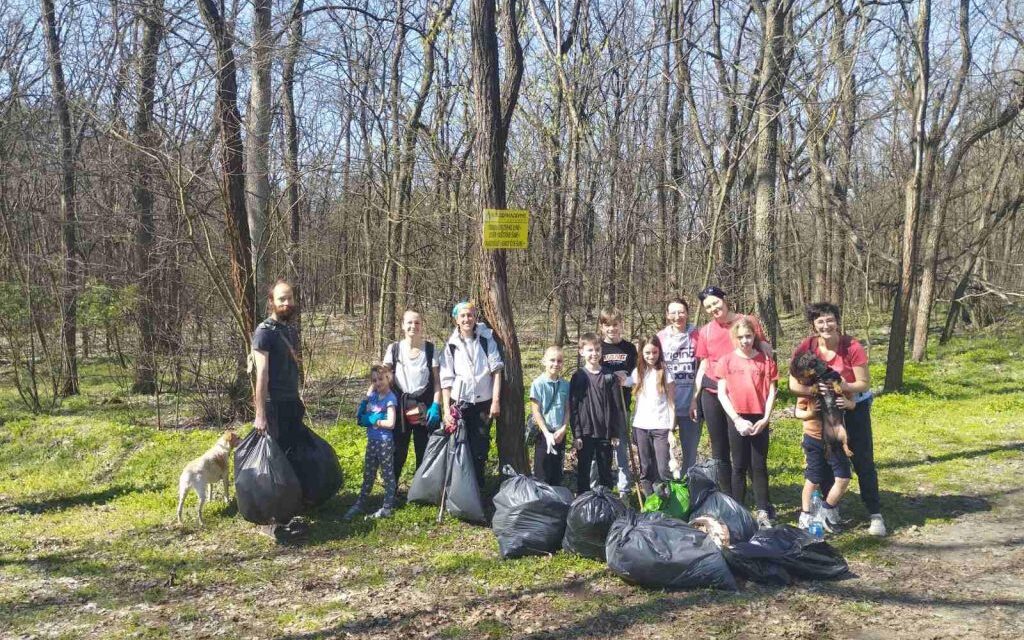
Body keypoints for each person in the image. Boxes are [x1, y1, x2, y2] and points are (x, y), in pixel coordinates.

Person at [789, 302, 887, 536]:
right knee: (825, 459)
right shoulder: (807, 346)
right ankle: (830, 510)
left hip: (853, 405)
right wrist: (814, 393)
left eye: (830, 320)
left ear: (837, 320)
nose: (826, 325)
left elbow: (864, 383)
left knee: (862, 458)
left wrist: (839, 387)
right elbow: (794, 383)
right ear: (813, 324)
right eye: (820, 321)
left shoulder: (852, 346)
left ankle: (875, 513)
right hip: (824, 408)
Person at [691, 286, 772, 496]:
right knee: (720, 447)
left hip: (741, 393)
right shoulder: (706, 331)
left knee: (748, 445)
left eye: (715, 302)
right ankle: (728, 496)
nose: (713, 308)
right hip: (713, 392)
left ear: (724, 299)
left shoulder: (748, 321)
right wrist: (695, 396)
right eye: (708, 307)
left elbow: (763, 348)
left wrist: (769, 365)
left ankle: (761, 496)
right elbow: (703, 365)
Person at [251, 279, 310, 539]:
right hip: (273, 405)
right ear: (272, 302)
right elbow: (261, 375)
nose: (286, 303)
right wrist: (260, 413)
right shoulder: (264, 332)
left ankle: (289, 511)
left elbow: (293, 370)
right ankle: (271, 519)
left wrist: (298, 399)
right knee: (273, 463)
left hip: (290, 403)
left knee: (290, 457)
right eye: (281, 299)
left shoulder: (290, 331)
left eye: (289, 298)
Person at [715, 317, 779, 528]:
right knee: (739, 465)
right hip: (737, 417)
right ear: (735, 338)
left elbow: (771, 391)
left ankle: (763, 510)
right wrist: (736, 419)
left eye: (749, 336)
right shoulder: (726, 361)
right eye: (740, 337)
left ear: (754, 336)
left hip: (759, 416)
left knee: (759, 465)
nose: (745, 341)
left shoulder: (765, 360)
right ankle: (738, 511)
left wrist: (765, 418)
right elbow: (722, 394)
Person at [440, 300, 503, 488]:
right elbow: (446, 380)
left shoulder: (486, 339)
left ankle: (478, 486)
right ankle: (459, 486)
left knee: (480, 445)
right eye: (462, 316)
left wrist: (496, 401)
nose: (467, 319)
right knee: (459, 444)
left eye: (470, 315)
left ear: (475, 317)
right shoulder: (451, 345)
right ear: (456, 320)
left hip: (484, 402)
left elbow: (497, 370)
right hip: (459, 403)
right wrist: (446, 410)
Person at [383, 309, 442, 486]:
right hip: (399, 407)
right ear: (403, 325)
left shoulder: (431, 350)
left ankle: (420, 489)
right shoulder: (394, 349)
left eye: (417, 323)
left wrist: (436, 405)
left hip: (424, 407)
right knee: (397, 450)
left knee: (423, 449)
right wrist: (373, 400)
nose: (413, 326)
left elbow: (438, 382)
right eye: (409, 322)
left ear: (421, 326)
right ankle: (390, 489)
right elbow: (383, 376)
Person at [569, 333, 626, 495]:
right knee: (583, 471)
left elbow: (616, 407)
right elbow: (573, 408)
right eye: (589, 350)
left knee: (605, 471)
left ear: (601, 351)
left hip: (605, 433)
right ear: (581, 352)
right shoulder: (578, 377)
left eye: (597, 349)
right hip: (586, 433)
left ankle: (606, 503)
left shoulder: (609, 376)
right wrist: (577, 434)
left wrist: (615, 433)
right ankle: (582, 503)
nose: (594, 353)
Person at [589, 307, 637, 492]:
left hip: (622, 407)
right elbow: (592, 373)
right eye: (607, 325)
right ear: (602, 327)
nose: (612, 329)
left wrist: (627, 380)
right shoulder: (598, 348)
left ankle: (624, 491)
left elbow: (636, 377)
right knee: (599, 450)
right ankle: (596, 489)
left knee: (622, 451)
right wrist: (611, 374)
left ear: (621, 325)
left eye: (615, 324)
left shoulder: (629, 348)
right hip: (600, 407)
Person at [346, 365, 399, 519]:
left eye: (381, 379)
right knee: (368, 474)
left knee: (387, 474)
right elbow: (360, 415)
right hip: (372, 442)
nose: (378, 383)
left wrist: (375, 421)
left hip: (384, 442)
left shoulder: (390, 399)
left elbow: (391, 423)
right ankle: (360, 503)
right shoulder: (374, 396)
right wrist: (365, 403)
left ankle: (387, 507)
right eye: (374, 380)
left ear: (388, 378)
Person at [794, 394, 851, 532]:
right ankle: (805, 516)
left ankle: (826, 510)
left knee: (843, 476)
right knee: (814, 478)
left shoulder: (837, 384)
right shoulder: (808, 388)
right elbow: (798, 412)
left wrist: (847, 403)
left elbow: (851, 403)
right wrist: (811, 412)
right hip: (813, 438)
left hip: (834, 438)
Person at [657, 298, 699, 475]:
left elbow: (705, 365)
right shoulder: (660, 338)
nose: (677, 316)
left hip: (692, 402)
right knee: (664, 451)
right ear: (667, 315)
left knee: (690, 451)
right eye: (673, 312)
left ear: (687, 313)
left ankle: (688, 486)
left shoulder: (698, 335)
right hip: (667, 404)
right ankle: (667, 487)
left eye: (681, 312)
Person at [629, 336, 675, 497]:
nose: (651, 356)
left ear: (659, 352)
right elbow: (626, 382)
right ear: (641, 353)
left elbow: (671, 403)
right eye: (647, 352)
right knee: (646, 466)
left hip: (661, 426)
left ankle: (668, 500)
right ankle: (650, 501)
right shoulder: (638, 372)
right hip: (641, 426)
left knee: (663, 467)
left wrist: (671, 429)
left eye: (654, 352)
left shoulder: (665, 372)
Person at [529, 346, 570, 485]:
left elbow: (567, 409)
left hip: (559, 433)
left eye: (559, 361)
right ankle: (542, 504)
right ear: (544, 361)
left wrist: (563, 428)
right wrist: (546, 433)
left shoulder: (565, 385)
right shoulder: (538, 384)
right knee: (542, 473)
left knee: (557, 472)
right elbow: (536, 411)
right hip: (543, 434)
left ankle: (556, 503)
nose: (556, 364)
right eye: (552, 360)